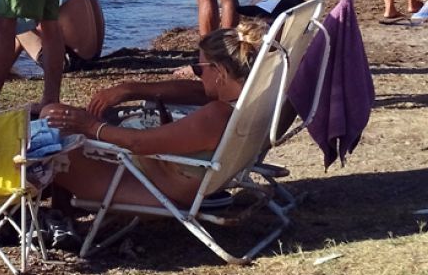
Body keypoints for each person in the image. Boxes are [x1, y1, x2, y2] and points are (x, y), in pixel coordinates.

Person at [38, 24, 263, 207]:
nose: (198, 75)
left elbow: (137, 144)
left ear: (220, 72)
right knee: (58, 122)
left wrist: (90, 126)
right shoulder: (251, 103)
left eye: (199, 69)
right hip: (171, 178)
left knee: (53, 122)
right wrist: (131, 90)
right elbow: (197, 92)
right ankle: (59, 211)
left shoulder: (217, 115)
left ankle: (59, 215)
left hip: (159, 192)